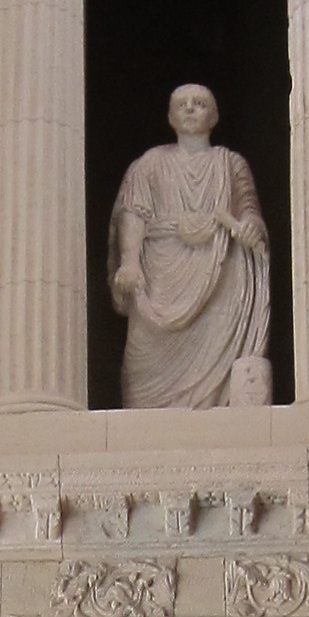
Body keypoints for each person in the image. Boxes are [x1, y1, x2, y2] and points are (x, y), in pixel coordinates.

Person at [108, 83, 270, 410]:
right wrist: (129, 261)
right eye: (182, 104)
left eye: (199, 103)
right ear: (170, 117)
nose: (191, 108)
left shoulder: (230, 163)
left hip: (220, 270)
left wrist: (251, 226)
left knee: (218, 340)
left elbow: (248, 208)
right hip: (160, 272)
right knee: (142, 364)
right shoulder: (150, 163)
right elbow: (133, 213)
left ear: (214, 116)